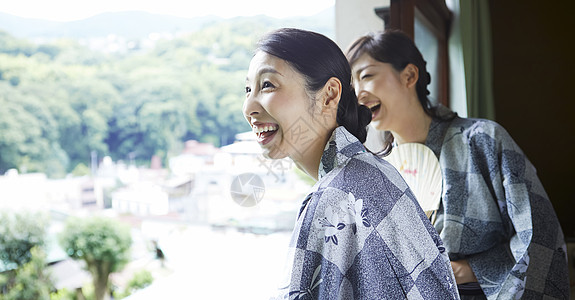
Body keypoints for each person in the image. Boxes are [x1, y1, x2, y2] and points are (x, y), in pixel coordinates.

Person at [346, 30, 569, 299]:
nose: (358, 93)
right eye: (352, 83)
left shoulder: (483, 140)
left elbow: (540, 236)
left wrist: (470, 271)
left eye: (367, 76)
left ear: (409, 76)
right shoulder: (378, 170)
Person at [243, 28, 459, 299]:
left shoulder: (336, 194)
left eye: (267, 85)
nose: (249, 106)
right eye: (248, 89)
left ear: (330, 95)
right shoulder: (371, 171)